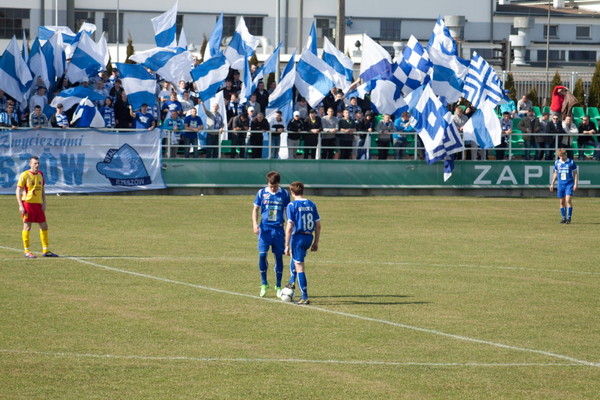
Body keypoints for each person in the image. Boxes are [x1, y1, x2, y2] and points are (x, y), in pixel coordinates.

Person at [252, 171, 291, 297]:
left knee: (278, 257)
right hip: (265, 229)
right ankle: (264, 283)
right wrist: (255, 224)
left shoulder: (284, 194)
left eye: (275, 186)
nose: (272, 188)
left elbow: (287, 212)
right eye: (270, 186)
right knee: (262, 255)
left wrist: (290, 225)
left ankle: (278, 286)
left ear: (279, 183)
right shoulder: (261, 193)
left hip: (278, 230)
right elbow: (255, 209)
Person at [284, 181, 321, 305]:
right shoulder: (311, 204)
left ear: (292, 192)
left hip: (298, 238)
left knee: (299, 267)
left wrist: (286, 245)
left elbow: (289, 227)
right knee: (295, 260)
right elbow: (318, 225)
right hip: (309, 237)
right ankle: (291, 281)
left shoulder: (292, 205)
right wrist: (316, 242)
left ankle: (304, 297)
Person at [16, 156, 59, 258]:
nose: (37, 165)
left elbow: (42, 190)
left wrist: (44, 202)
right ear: (30, 164)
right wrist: (21, 205)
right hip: (27, 204)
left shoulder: (40, 174)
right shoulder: (25, 175)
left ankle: (46, 250)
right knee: (27, 226)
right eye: (35, 163)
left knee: (44, 226)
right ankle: (27, 251)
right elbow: (18, 190)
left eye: (38, 163)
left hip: (38, 205)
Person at [550, 148, 578, 224]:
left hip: (569, 183)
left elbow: (575, 173)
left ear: (565, 155)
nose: (561, 157)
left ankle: (569, 218)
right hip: (560, 184)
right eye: (560, 156)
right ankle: (563, 218)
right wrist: (552, 183)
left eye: (562, 155)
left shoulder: (571, 162)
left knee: (568, 200)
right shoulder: (557, 162)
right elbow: (555, 173)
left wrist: (575, 183)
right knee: (562, 201)